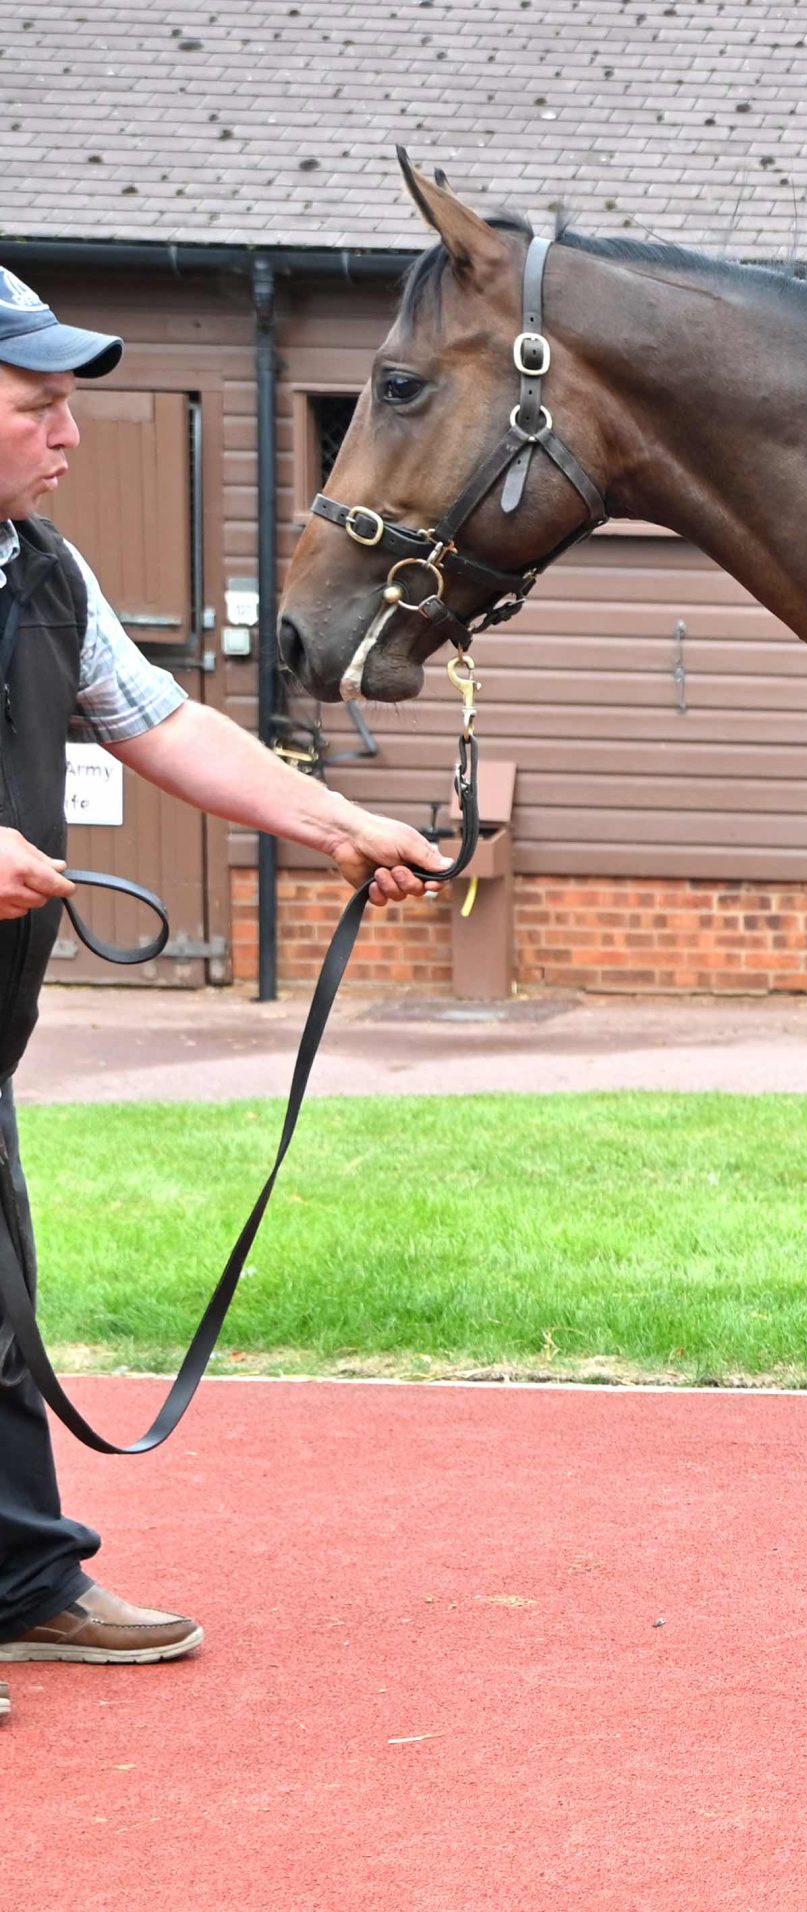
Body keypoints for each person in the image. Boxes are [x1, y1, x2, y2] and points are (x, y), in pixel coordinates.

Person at [0, 267, 441, 1694]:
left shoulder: (42, 568)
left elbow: (162, 721)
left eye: (69, 403)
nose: (68, 434)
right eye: (35, 405)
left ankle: (18, 1577)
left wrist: (340, 822)